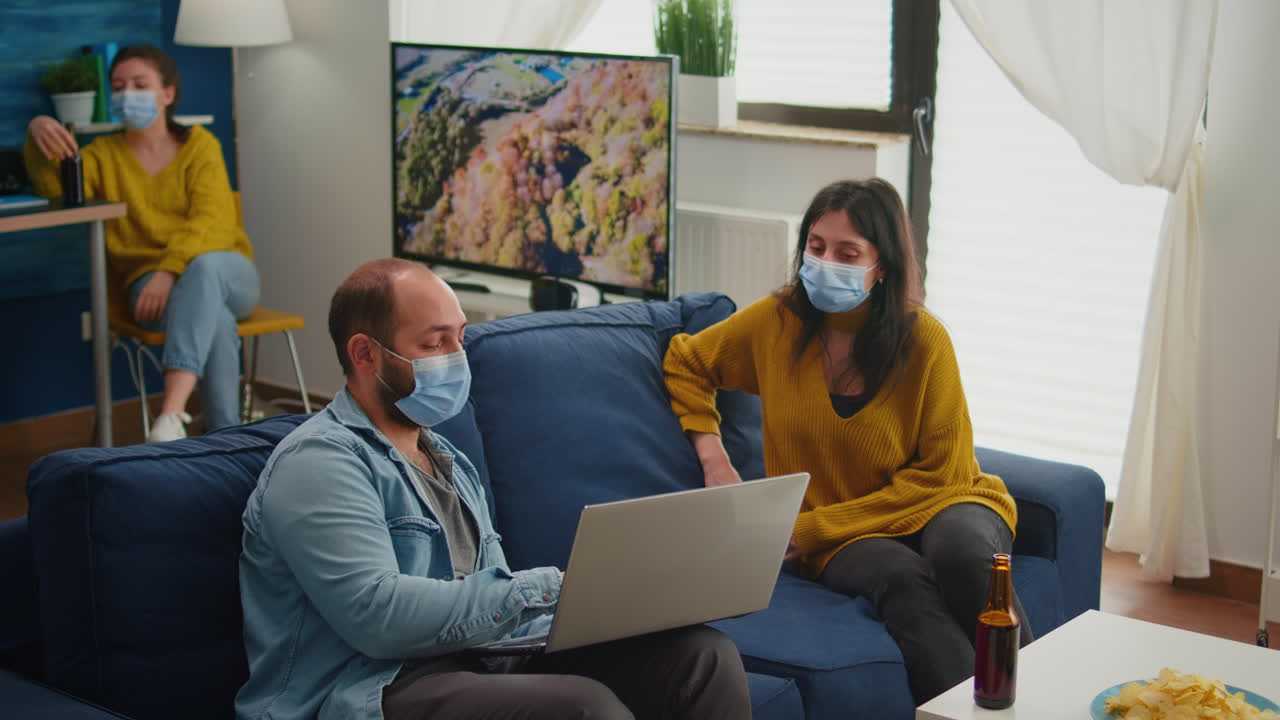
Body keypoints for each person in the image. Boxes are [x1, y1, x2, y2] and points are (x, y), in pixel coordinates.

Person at [235, 258, 751, 720]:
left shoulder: (448, 460)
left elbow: (493, 610)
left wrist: (622, 596)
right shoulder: (320, 463)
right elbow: (379, 618)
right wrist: (547, 587)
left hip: (476, 659)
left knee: (702, 659)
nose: (457, 358)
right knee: (583, 708)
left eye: (460, 338)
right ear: (365, 354)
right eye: (434, 343)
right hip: (372, 687)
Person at [662, 178, 1031, 704]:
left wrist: (813, 528)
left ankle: (1042, 702)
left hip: (940, 501)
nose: (824, 262)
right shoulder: (776, 322)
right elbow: (687, 361)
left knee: (966, 556)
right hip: (844, 534)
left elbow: (943, 476)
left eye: (847, 253)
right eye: (815, 247)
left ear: (883, 266)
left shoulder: (925, 340)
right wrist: (714, 458)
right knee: (901, 579)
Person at [24, 45, 257, 442]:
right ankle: (227, 441)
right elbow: (54, 189)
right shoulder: (102, 156)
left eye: (139, 84)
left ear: (167, 93)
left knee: (205, 270)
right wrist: (37, 131)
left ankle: (171, 412)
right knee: (215, 320)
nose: (126, 94)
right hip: (150, 290)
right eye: (118, 87)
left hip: (227, 274)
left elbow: (212, 222)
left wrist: (168, 272)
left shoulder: (201, 146)